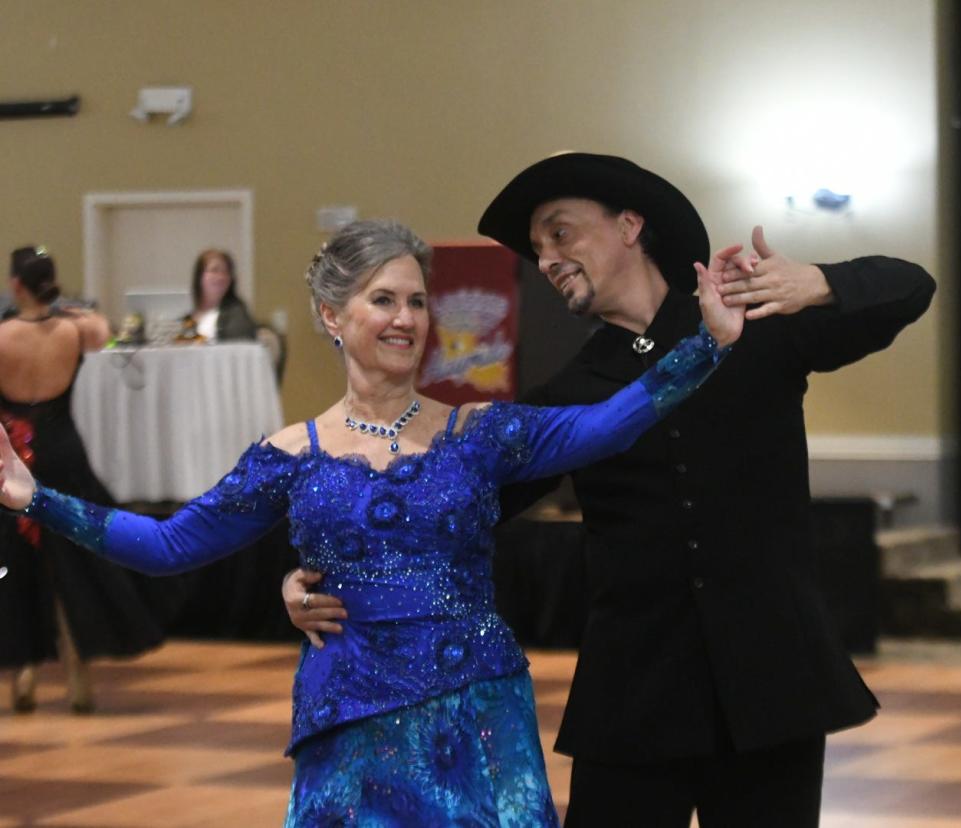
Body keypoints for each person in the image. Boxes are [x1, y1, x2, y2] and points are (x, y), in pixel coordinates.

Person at [0, 219, 744, 826]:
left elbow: (606, 428)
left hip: (478, 713)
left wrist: (706, 345)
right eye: (385, 300)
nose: (407, 319)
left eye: (418, 302)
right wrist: (34, 497)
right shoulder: (289, 456)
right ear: (333, 316)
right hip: (350, 719)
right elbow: (169, 546)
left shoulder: (479, 433)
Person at [285, 153, 937, 826]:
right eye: (537, 249)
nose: (548, 258)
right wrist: (312, 576)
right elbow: (443, 509)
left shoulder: (754, 325)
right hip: (634, 696)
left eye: (560, 233)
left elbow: (910, 286)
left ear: (630, 226)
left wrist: (818, 282)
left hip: (774, 680)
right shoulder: (569, 395)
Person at [0, 246, 164, 714]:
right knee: (75, 562)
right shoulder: (76, 329)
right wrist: (75, 308)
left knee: (16, 563)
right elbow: (109, 335)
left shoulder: (2, 336)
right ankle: (78, 676)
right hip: (63, 451)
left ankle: (25, 673)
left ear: (15, 285)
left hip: (14, 456)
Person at [183, 249, 257, 341]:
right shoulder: (186, 320)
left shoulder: (237, 314)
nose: (221, 277)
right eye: (214, 270)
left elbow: (238, 350)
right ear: (199, 276)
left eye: (226, 272)